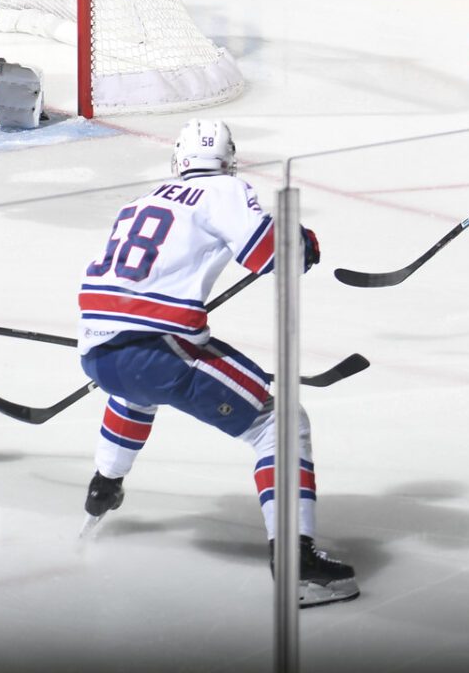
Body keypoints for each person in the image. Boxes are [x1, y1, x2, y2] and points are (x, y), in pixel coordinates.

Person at [77, 119, 357, 608]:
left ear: (177, 162)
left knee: (134, 395)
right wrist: (300, 242)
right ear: (229, 161)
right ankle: (299, 566)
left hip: (98, 351)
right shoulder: (224, 188)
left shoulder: (139, 202)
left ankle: (104, 485)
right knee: (280, 426)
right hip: (157, 352)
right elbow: (268, 254)